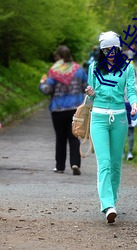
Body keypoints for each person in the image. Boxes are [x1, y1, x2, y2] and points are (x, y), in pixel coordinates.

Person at [85, 31, 137, 223]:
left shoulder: (127, 68)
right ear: (101, 50)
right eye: (105, 50)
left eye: (112, 49)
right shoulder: (94, 67)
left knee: (116, 164)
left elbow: (131, 90)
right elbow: (91, 97)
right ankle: (107, 205)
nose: (109, 53)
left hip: (120, 119)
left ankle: (112, 201)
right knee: (104, 163)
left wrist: (133, 104)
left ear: (118, 48)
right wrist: (90, 92)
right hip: (98, 118)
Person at [39, 45, 88, 175]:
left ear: (58, 57)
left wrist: (42, 83)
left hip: (58, 109)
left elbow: (47, 90)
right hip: (75, 109)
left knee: (60, 138)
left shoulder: (54, 71)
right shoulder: (79, 70)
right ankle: (75, 163)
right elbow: (86, 87)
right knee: (74, 137)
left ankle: (60, 166)